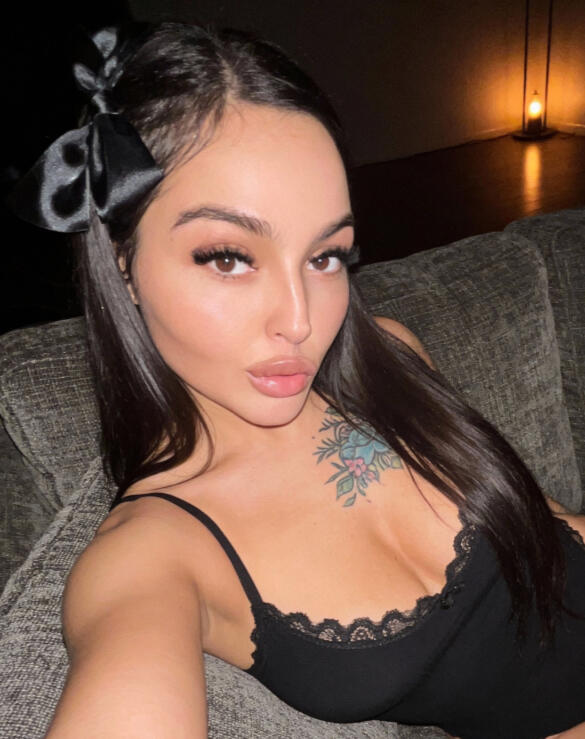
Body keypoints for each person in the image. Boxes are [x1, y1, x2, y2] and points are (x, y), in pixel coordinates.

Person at [10, 21, 585, 739]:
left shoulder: (391, 356)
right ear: (123, 264)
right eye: (228, 257)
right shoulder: (153, 555)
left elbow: (552, 524)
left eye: (325, 256)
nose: (300, 320)